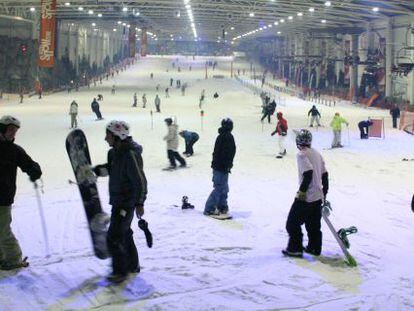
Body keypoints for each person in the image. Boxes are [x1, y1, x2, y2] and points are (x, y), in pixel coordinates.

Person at [93, 120, 147, 283]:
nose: (105, 138)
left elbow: (140, 181)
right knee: (124, 234)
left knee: (114, 236)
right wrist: (95, 171)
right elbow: (111, 168)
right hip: (118, 200)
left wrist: (139, 203)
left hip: (127, 202)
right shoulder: (114, 152)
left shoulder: (129, 154)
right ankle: (132, 265)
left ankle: (120, 272)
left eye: (108, 135)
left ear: (117, 136)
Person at [0, 115, 42, 270]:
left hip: (3, 197)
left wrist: (34, 170)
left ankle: (14, 258)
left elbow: (29, 164)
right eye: (10, 130)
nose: (13, 133)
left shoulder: (14, 150)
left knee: (3, 230)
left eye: (15, 131)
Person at [282, 129, 329, 258]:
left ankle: (295, 248)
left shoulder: (301, 155)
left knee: (292, 223)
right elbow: (325, 175)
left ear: (298, 142)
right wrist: (324, 193)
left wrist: (302, 192)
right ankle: (314, 247)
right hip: (317, 197)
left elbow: (308, 173)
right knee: (313, 224)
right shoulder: (317, 154)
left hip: (307, 197)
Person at [204, 118, 236, 216]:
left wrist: (227, 165)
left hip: (223, 168)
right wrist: (225, 165)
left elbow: (228, 153)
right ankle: (209, 208)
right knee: (219, 188)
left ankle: (222, 206)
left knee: (224, 188)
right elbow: (223, 153)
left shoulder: (224, 136)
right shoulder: (225, 137)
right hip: (220, 167)